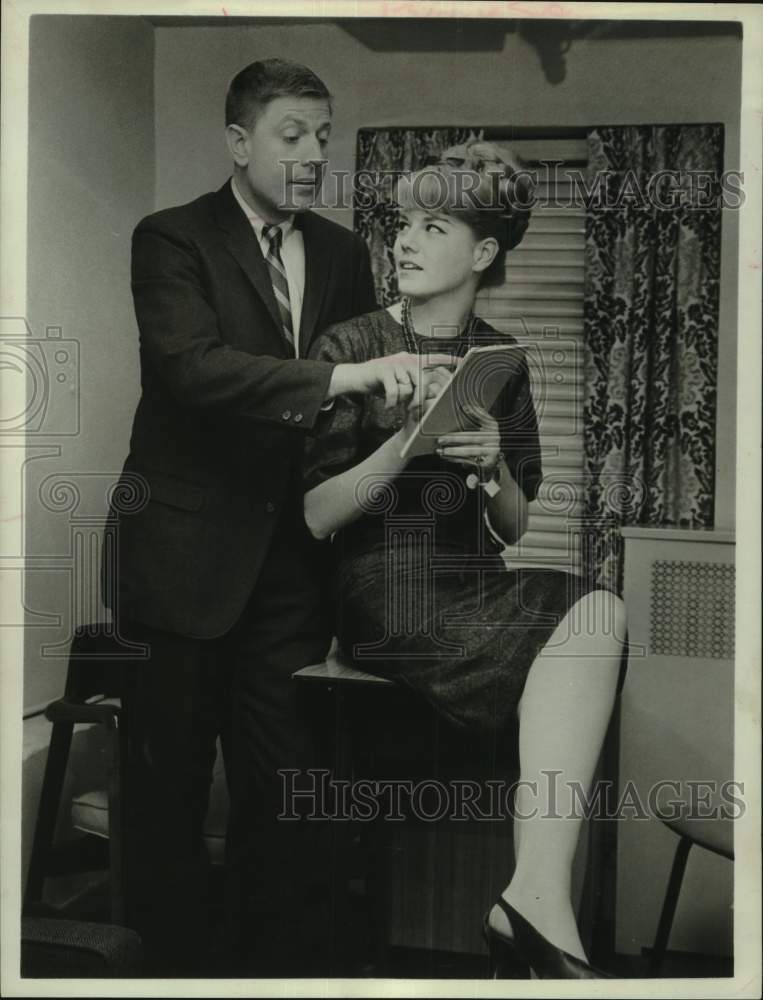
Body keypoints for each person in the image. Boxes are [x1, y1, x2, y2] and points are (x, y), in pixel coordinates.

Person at [103, 58, 452, 977]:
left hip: (292, 568)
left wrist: (419, 411)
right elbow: (195, 370)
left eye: (323, 138)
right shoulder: (170, 239)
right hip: (179, 562)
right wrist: (343, 377)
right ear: (239, 142)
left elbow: (348, 403)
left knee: (284, 792)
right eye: (292, 135)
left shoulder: (340, 253)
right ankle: (164, 979)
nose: (311, 155)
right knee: (166, 795)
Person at [303, 140, 627, 979]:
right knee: (576, 626)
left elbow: (515, 527)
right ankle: (534, 914)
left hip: (472, 577)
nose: (404, 240)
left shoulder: (502, 360)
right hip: (381, 584)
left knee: (600, 609)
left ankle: (531, 894)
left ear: (481, 253)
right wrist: (399, 452)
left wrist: (491, 472)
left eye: (432, 225)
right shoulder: (352, 344)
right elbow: (314, 514)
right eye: (403, 222)